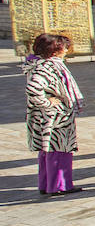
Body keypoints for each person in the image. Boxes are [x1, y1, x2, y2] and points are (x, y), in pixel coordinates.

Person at [25, 32, 84, 197]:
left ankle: (47, 184)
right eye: (63, 47)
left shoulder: (39, 63)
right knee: (58, 151)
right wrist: (47, 102)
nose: (66, 50)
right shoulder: (48, 66)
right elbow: (33, 88)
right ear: (54, 49)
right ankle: (59, 185)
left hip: (46, 117)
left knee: (48, 152)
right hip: (55, 117)